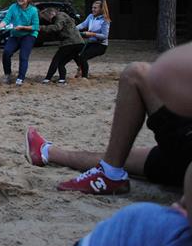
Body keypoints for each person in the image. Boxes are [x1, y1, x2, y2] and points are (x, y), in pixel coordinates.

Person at [25, 41, 192, 195]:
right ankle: (47, 152)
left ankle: (110, 175)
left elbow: (167, 66)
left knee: (135, 73)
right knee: (118, 156)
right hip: (184, 162)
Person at [0, 0, 39, 86]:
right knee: (6, 53)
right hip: (15, 35)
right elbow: (6, 19)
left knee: (23, 56)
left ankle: (20, 78)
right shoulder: (13, 7)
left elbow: (36, 27)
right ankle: (8, 75)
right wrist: (0, 26)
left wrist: (22, 27)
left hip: (29, 35)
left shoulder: (33, 10)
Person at [39, 7, 85, 84]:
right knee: (62, 63)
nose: (47, 20)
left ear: (51, 14)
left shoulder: (60, 16)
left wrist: (40, 28)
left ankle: (47, 79)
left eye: (46, 17)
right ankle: (62, 80)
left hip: (70, 43)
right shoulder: (65, 17)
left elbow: (57, 28)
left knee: (56, 60)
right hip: (78, 43)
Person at [74, 0, 111, 79]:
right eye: (92, 8)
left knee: (83, 57)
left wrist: (92, 34)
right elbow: (83, 25)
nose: (93, 9)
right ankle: (80, 70)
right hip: (90, 42)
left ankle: (84, 77)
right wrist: (73, 29)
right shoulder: (90, 16)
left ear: (101, 9)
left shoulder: (105, 20)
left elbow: (104, 36)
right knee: (77, 55)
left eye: (95, 8)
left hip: (100, 45)